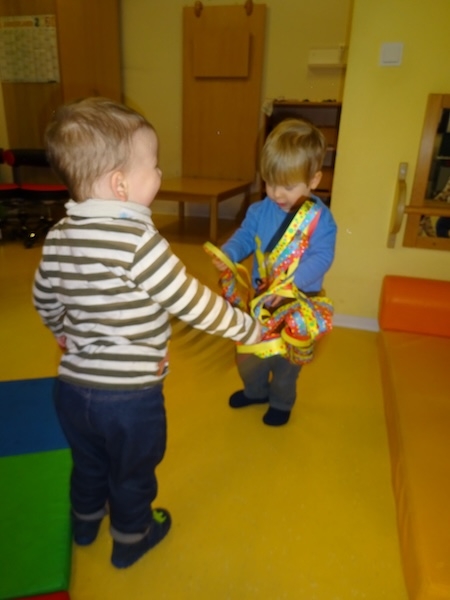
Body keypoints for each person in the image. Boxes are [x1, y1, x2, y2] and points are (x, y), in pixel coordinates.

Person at [32, 97, 261, 569]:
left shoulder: (58, 237)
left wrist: (61, 331)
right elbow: (191, 302)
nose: (159, 173)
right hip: (130, 399)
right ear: (120, 184)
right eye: (154, 165)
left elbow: (45, 299)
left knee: (88, 461)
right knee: (132, 471)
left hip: (72, 390)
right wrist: (248, 329)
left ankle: (85, 521)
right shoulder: (139, 241)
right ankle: (132, 537)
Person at [210, 118, 337, 427]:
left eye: (288, 186)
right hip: (261, 301)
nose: (277, 193)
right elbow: (244, 237)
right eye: (269, 183)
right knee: (249, 354)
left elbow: (322, 257)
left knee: (286, 362)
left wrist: (288, 285)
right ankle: (255, 391)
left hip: (298, 302)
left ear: (314, 180)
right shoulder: (258, 210)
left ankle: (281, 401)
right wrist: (229, 253)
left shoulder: (320, 219)